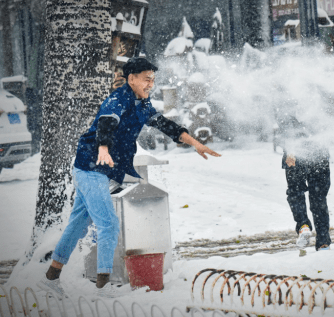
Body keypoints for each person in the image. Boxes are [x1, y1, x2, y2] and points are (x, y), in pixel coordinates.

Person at [37, 57, 221, 298]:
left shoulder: (143, 105)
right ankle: (103, 288)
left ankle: (50, 278)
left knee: (78, 225)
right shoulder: (117, 99)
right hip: (92, 168)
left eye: (153, 80)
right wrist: (103, 148)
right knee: (109, 225)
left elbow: (166, 125)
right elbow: (107, 123)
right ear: (131, 79)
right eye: (146, 79)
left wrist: (196, 143)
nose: (151, 84)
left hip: (99, 169)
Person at [275, 100, 331, 251]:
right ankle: (323, 241)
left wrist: (291, 150)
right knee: (318, 199)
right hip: (319, 155)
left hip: (295, 155)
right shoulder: (320, 94)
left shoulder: (287, 96)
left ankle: (303, 225)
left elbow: (285, 127)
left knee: (295, 192)